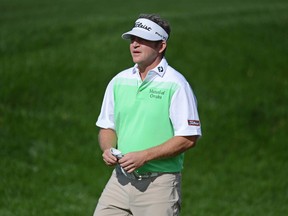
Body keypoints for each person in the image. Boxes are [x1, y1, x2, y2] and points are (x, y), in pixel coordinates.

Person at [93, 13, 202, 216]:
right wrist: (108, 148)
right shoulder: (119, 80)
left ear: (161, 46)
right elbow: (107, 127)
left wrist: (144, 156)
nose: (135, 44)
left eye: (143, 40)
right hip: (120, 182)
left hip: (158, 186)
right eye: (133, 39)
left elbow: (188, 138)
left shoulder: (177, 84)